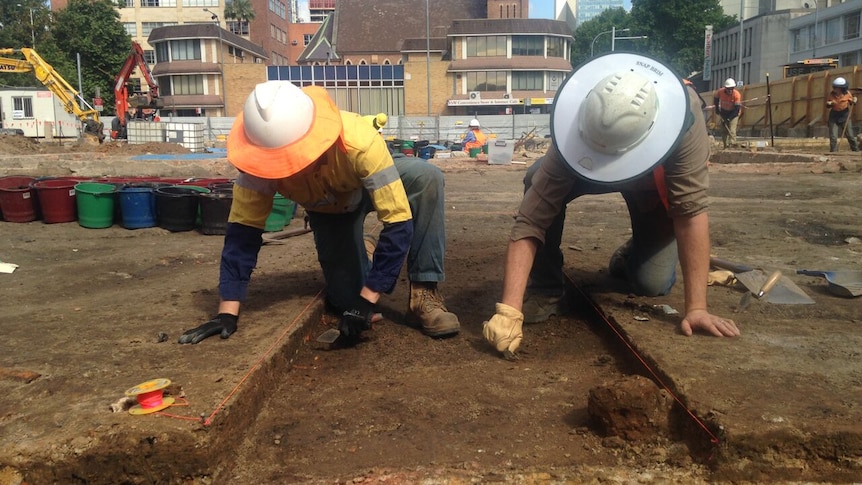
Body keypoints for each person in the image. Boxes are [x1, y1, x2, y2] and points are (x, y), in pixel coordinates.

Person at [482, 52, 740, 359]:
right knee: (536, 176)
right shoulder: (583, 110)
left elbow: (690, 211)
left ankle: (633, 252)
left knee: (652, 283)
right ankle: (547, 288)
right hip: (591, 166)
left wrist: (697, 307)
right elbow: (531, 220)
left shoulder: (685, 119)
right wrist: (509, 309)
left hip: (652, 187)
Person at [179, 81, 459, 344]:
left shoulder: (359, 141)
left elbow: (397, 222)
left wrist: (370, 297)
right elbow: (242, 235)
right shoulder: (258, 165)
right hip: (329, 210)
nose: (291, 167)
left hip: (362, 179)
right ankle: (364, 249)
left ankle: (425, 292)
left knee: (426, 178)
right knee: (346, 301)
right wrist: (228, 310)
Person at [825, 77, 859, 152]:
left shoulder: (847, 94)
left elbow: (852, 102)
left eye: (837, 88)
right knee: (833, 137)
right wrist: (829, 103)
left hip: (845, 115)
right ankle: (833, 152)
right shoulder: (831, 94)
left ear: (841, 88)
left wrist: (854, 100)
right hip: (834, 116)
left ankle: (856, 151)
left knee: (850, 136)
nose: (835, 89)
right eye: (834, 87)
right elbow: (828, 105)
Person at [713, 78, 742, 148]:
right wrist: (717, 109)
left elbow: (736, 109)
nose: (730, 90)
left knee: (731, 130)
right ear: (725, 88)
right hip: (724, 112)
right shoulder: (720, 92)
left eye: (731, 88)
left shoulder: (736, 95)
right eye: (728, 89)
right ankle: (726, 146)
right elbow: (716, 99)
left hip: (733, 113)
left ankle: (732, 145)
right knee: (723, 130)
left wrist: (729, 119)